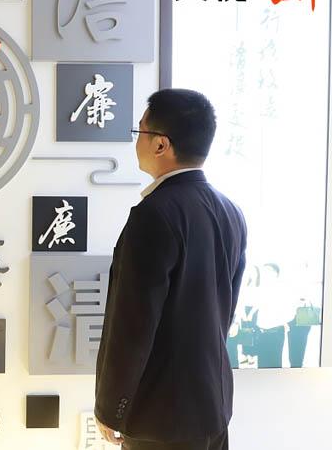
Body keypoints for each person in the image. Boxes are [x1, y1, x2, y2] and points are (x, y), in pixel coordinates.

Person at [94, 89, 247, 450]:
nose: (137, 141)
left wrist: (111, 407)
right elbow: (224, 312)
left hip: (160, 416)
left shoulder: (154, 214)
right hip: (213, 406)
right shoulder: (231, 212)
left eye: (140, 131)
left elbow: (133, 323)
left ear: (161, 144)